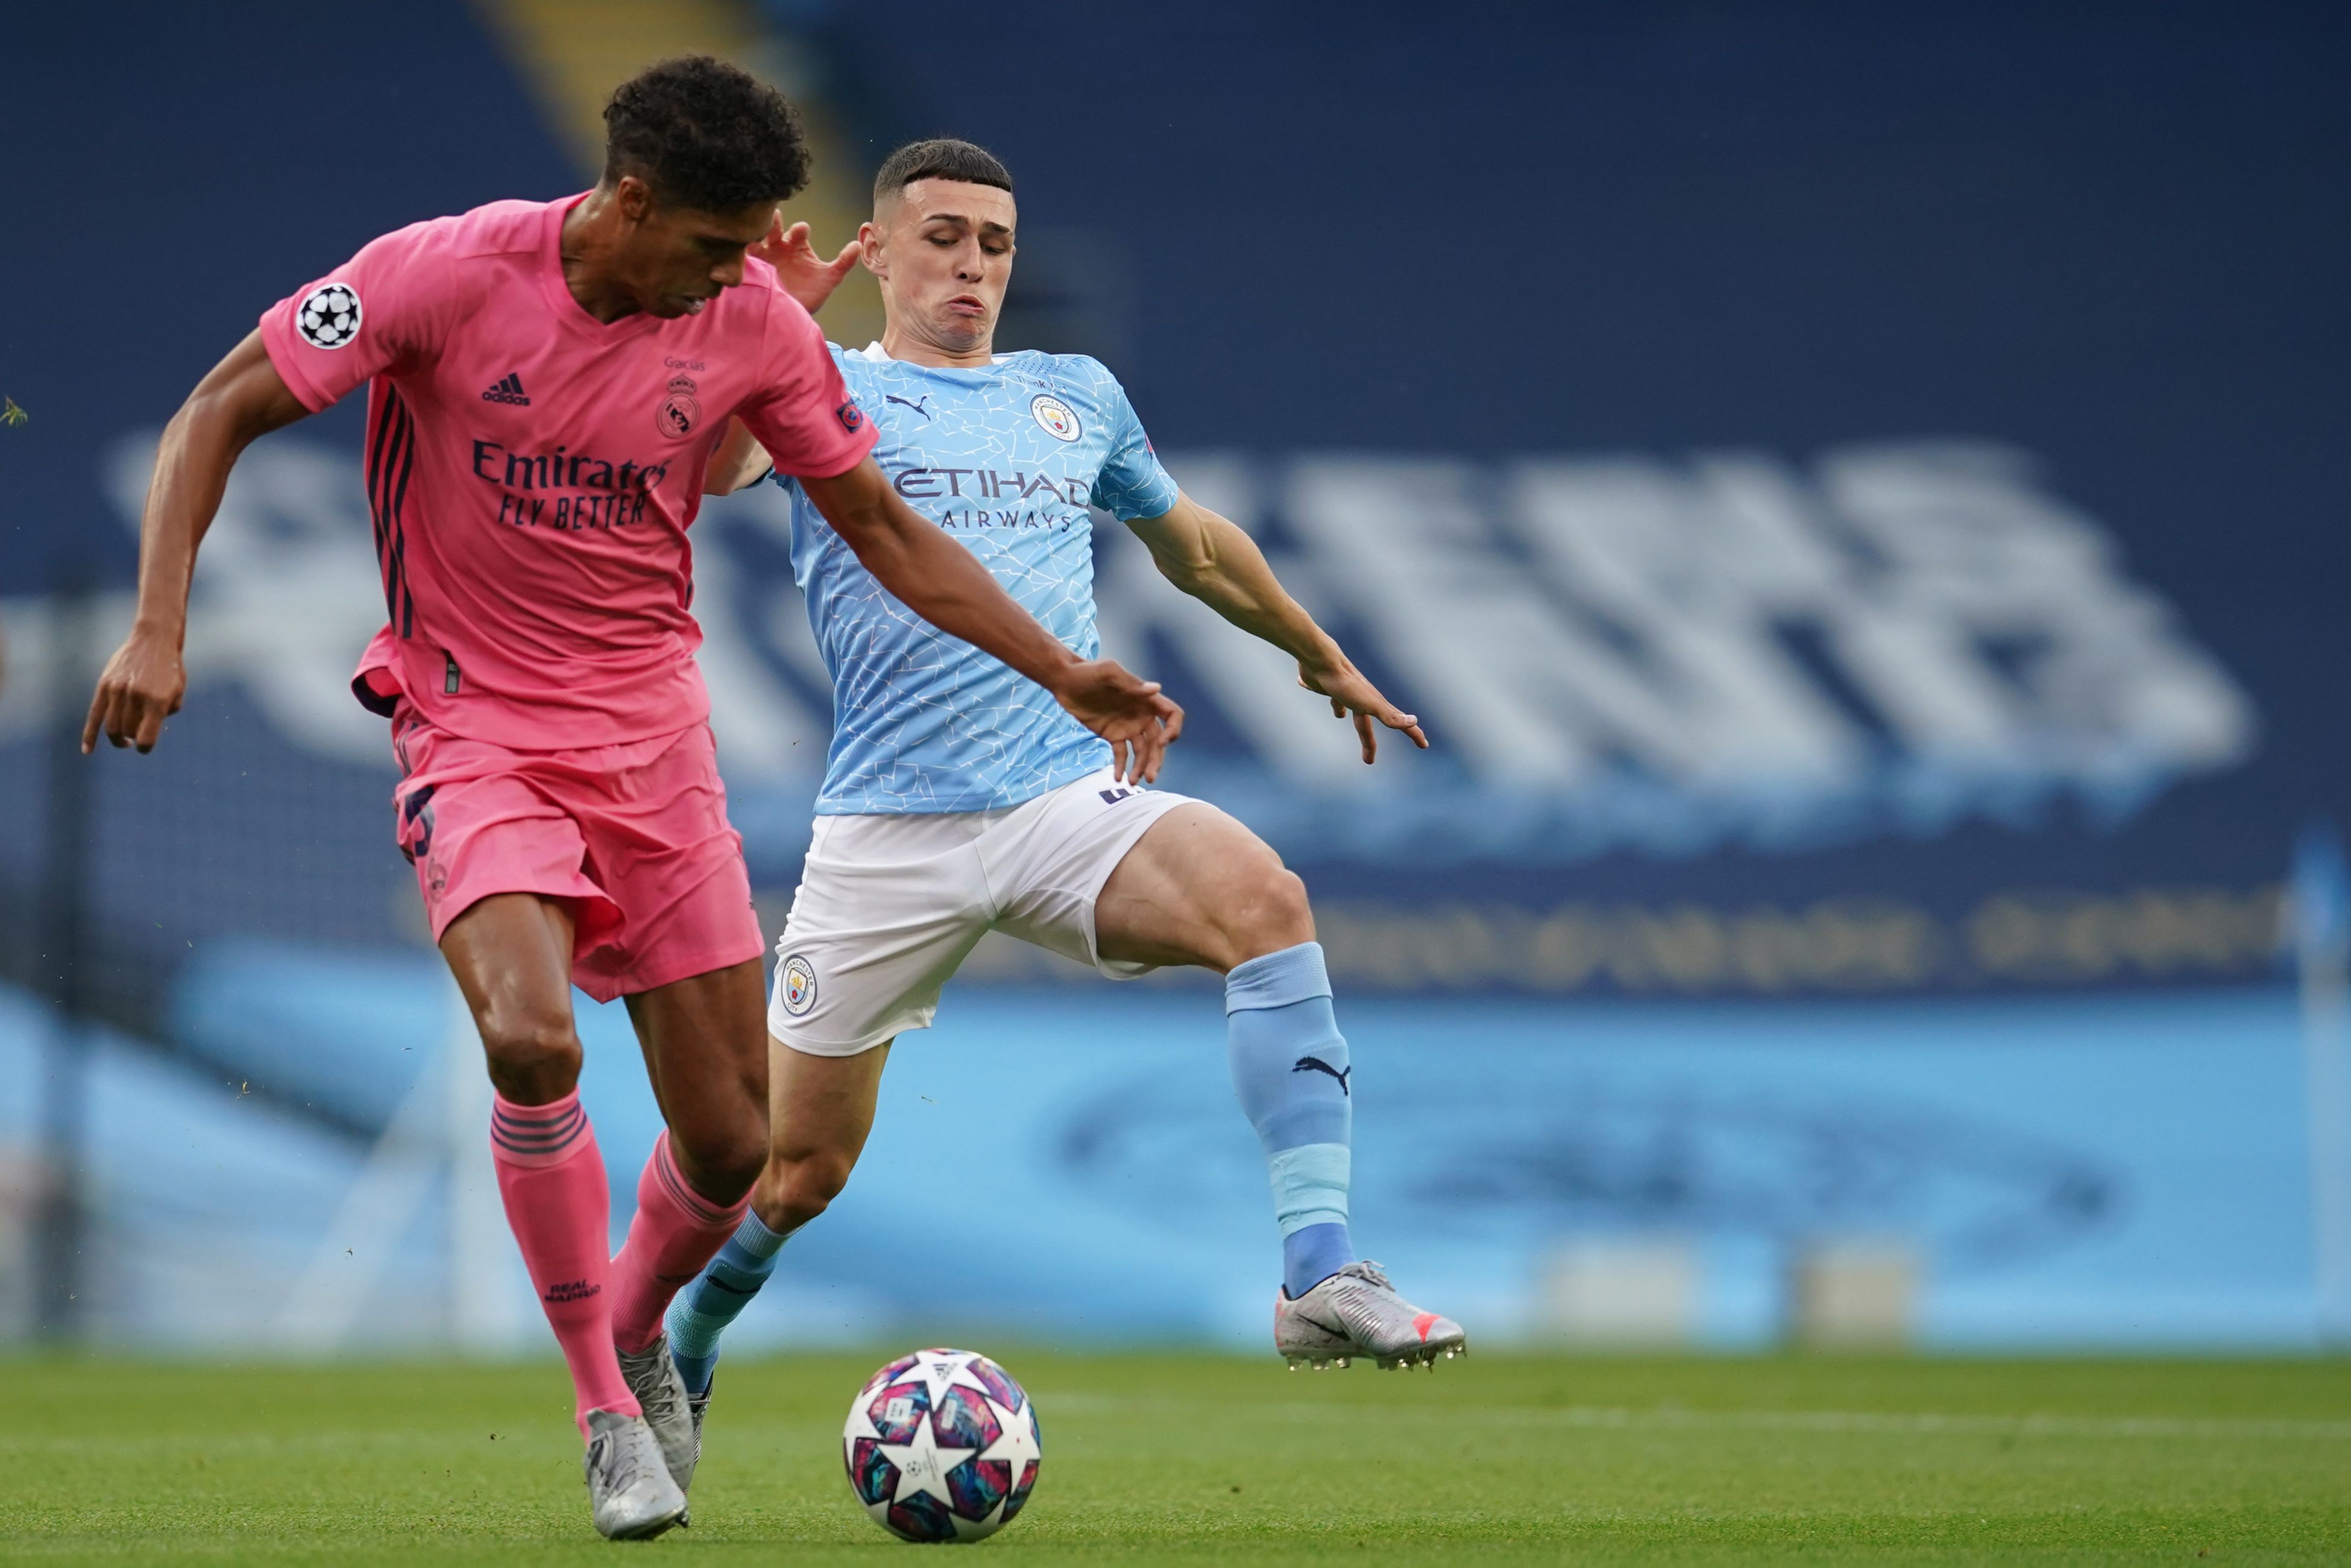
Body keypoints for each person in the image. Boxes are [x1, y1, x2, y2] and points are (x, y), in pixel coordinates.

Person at [81, 72, 1176, 1541]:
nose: (743, 277)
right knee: (530, 1038)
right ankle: (605, 1407)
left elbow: (885, 528)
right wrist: (162, 622)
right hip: (473, 723)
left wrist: (1062, 669)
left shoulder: (755, 327)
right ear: (634, 203)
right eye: (719, 247)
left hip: (655, 745)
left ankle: (646, 1333)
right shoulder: (443, 274)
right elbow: (219, 405)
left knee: (733, 1145)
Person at [664, 138, 1465, 1434]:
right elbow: (700, 472)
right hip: (885, 834)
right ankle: (688, 1335)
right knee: (795, 1170)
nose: (972, 263)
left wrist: (1323, 657)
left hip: (1059, 803)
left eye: (995, 241)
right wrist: (776, 324)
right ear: (875, 247)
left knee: (1264, 898)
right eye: (943, 237)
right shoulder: (820, 383)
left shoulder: (1071, 394)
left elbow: (1194, 544)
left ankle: (1318, 1272)